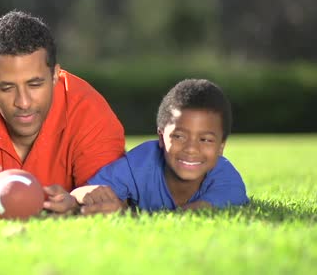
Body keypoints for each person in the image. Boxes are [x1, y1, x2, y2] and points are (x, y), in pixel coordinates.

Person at [0, 10, 126, 214]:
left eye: (35, 84)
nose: (23, 102)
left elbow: (109, 201)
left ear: (55, 75)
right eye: (7, 88)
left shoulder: (88, 108)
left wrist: (78, 205)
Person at [71, 79, 249, 214]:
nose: (191, 149)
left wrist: (125, 214)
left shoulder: (228, 180)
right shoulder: (140, 164)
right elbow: (87, 191)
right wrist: (82, 198)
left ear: (221, 146)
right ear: (162, 138)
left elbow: (195, 213)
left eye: (205, 140)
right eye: (179, 136)